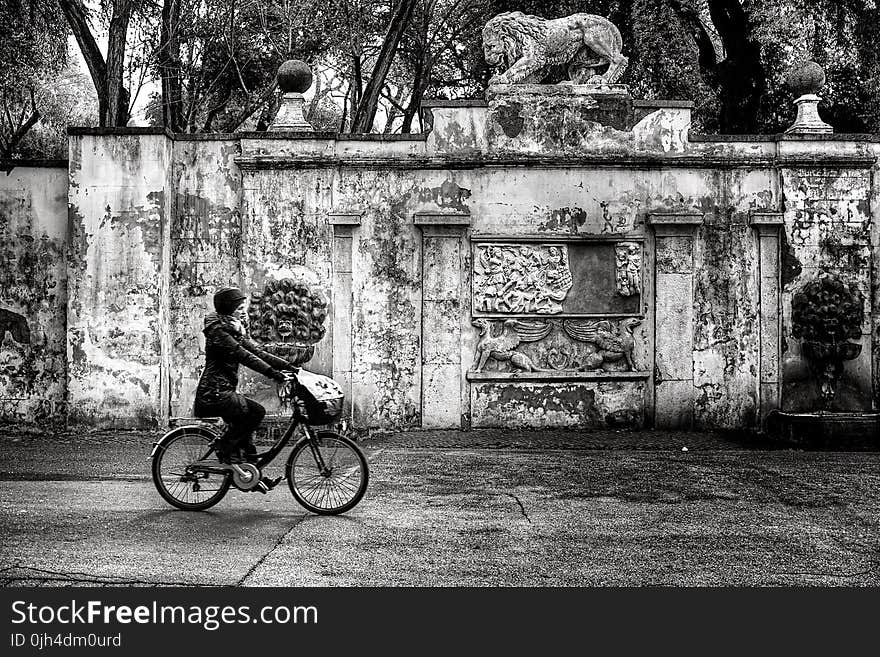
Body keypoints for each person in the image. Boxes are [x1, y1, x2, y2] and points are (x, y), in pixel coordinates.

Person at [193, 285, 295, 464]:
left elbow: (258, 353)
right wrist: (273, 374)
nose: (244, 312)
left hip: (223, 390)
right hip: (214, 393)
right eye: (239, 309)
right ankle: (224, 448)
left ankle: (250, 470)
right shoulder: (219, 332)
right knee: (256, 412)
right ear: (229, 310)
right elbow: (245, 356)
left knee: (245, 428)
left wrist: (291, 367)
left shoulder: (233, 330)